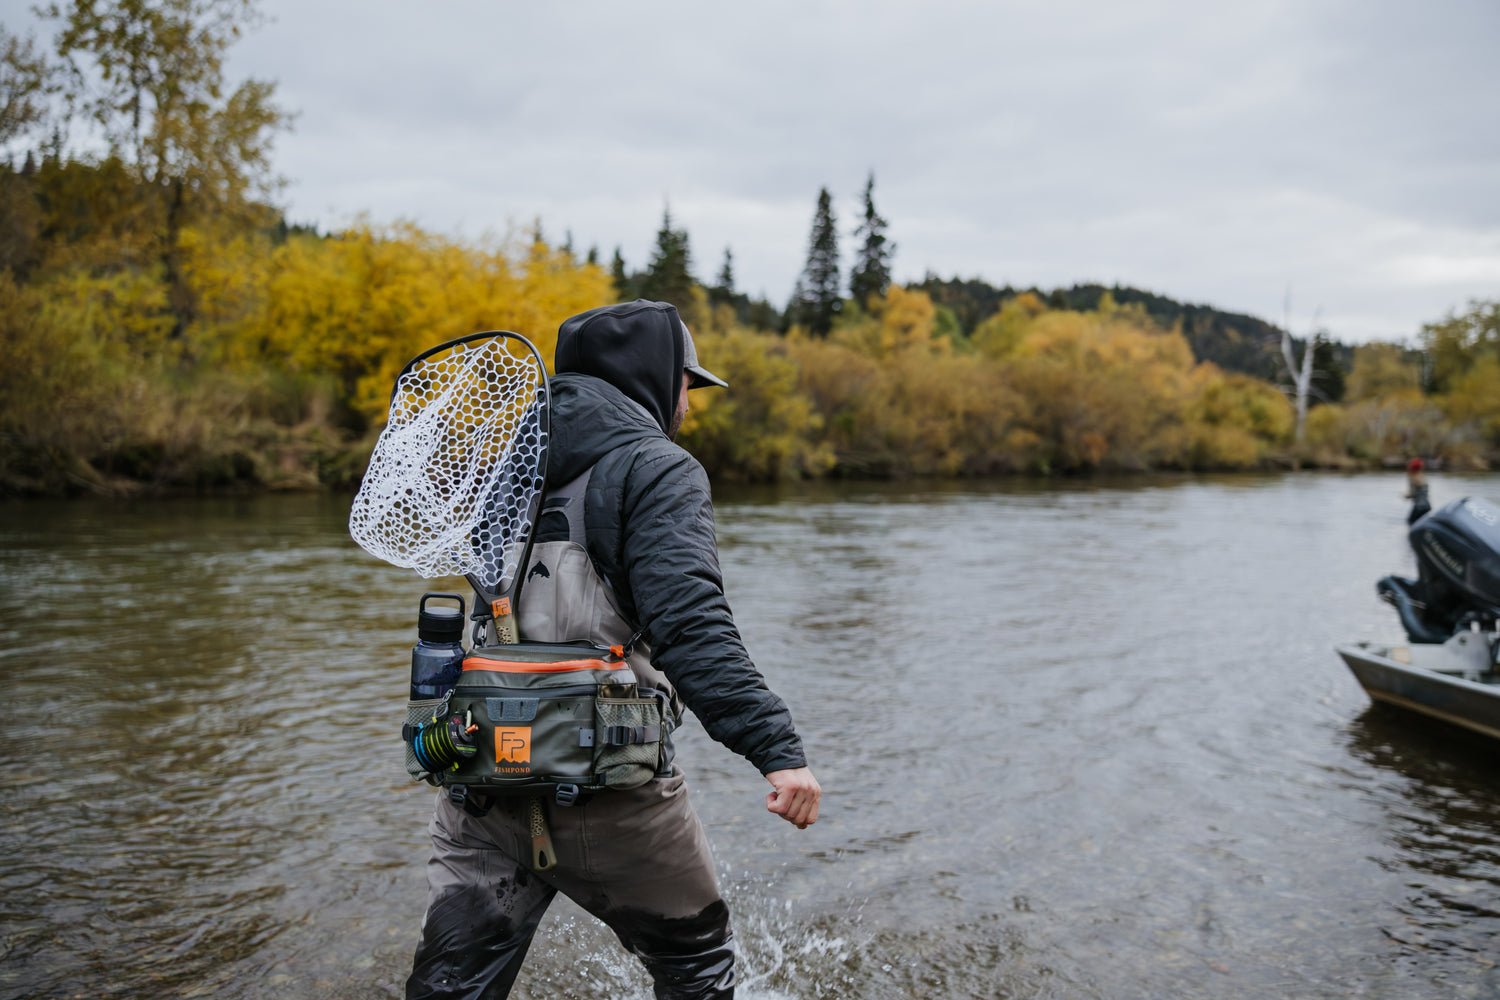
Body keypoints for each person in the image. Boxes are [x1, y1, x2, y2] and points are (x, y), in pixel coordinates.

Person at [405, 299, 822, 1000]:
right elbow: (692, 625)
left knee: (451, 989)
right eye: (686, 382)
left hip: (480, 781)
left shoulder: (500, 471)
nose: (688, 399)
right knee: (698, 974)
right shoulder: (658, 469)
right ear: (654, 377)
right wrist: (778, 750)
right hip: (611, 798)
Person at [1405, 457, 1431, 525]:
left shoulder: (1413, 478)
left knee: (1410, 524)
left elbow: (1412, 493)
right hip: (1427, 507)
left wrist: (1406, 495)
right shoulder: (1423, 477)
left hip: (1418, 507)